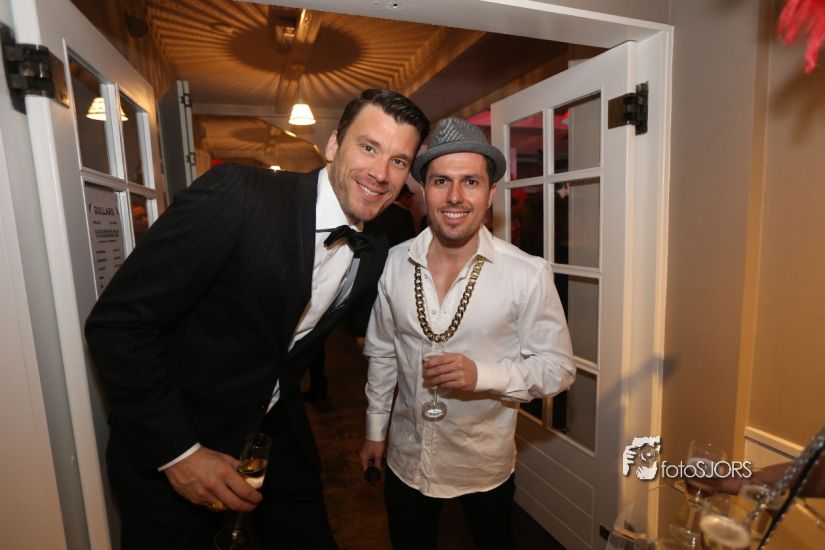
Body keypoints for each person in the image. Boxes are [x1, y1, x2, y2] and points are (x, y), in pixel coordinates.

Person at [84, 89, 429, 550]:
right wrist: (179, 454)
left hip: (274, 437)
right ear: (332, 145)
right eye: (369, 147)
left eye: (399, 161)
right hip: (179, 439)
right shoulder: (238, 194)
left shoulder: (377, 244)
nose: (381, 173)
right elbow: (119, 323)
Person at [358, 117, 575, 549]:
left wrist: (483, 376)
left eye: (470, 182)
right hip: (406, 456)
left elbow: (558, 369)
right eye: (441, 181)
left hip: (482, 465)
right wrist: (375, 430)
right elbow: (382, 353)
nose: (455, 197)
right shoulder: (396, 262)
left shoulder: (527, 274)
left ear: (490, 193)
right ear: (424, 189)